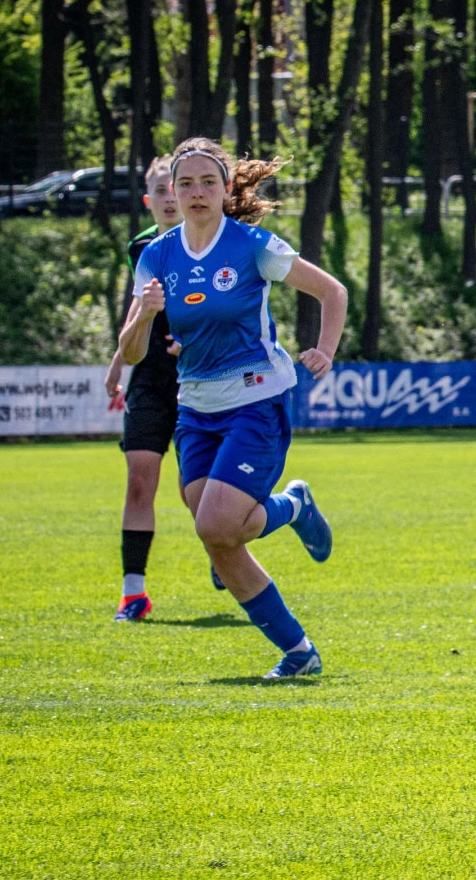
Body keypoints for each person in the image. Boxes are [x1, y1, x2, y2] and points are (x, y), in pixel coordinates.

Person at [118, 137, 349, 678]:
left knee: (218, 526)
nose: (196, 192)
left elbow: (332, 291)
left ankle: (297, 649)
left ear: (225, 189)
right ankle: (300, 647)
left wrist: (325, 349)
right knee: (219, 535)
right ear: (172, 192)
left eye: (208, 182)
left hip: (256, 400)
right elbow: (131, 353)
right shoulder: (156, 256)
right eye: (186, 183)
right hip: (195, 410)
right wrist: (144, 315)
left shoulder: (252, 246)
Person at [105, 155, 187, 623]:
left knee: (195, 488)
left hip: (199, 377)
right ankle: (133, 593)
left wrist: (193, 340)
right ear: (147, 200)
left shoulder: (211, 242)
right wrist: (119, 360)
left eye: (175, 189)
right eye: (160, 191)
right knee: (139, 479)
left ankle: (223, 549)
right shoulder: (140, 247)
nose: (169, 198)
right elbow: (138, 307)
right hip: (150, 379)